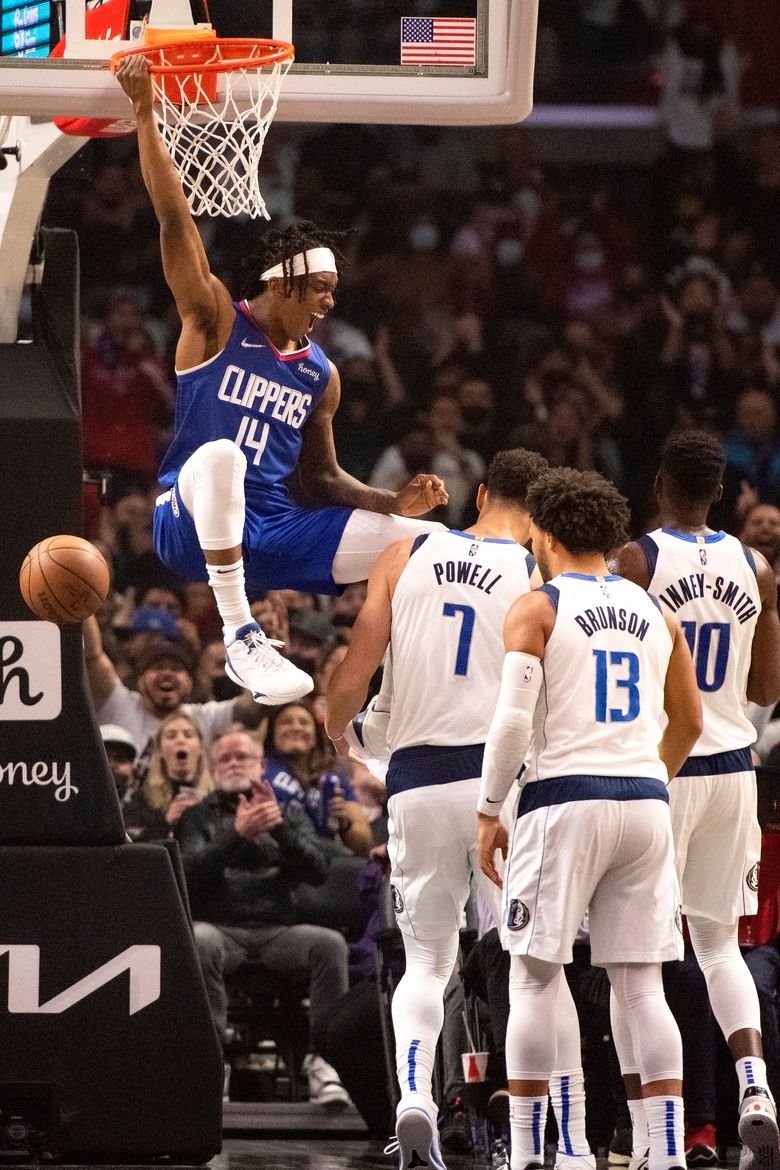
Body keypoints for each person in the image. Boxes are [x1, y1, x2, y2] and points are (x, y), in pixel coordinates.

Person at [114, 55, 449, 708]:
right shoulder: (213, 322)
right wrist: (144, 112)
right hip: (188, 529)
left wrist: (391, 504)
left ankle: (395, 699)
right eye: (321, 289)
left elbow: (321, 481)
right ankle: (240, 632)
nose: (328, 304)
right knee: (220, 458)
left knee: (436, 549)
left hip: (275, 534)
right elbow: (173, 220)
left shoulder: (320, 374)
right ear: (281, 281)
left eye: (334, 292)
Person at [326, 450, 596, 1170]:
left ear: (478, 495)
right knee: (531, 967)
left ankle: (414, 1094)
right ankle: (552, 1137)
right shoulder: (541, 580)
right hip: (500, 787)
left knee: (425, 960)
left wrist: (338, 731)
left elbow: (355, 665)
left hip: (415, 777)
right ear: (540, 519)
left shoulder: (405, 549)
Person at [476, 467, 702, 1170]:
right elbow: (690, 723)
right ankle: (663, 1153)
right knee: (641, 985)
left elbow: (512, 726)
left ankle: (525, 1154)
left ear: (542, 533)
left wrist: (488, 811)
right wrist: (641, 778)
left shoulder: (537, 607)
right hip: (644, 801)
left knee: (534, 976)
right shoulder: (657, 613)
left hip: (564, 799)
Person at [611, 429, 780, 1167]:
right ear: (722, 492)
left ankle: (664, 1136)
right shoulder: (758, 566)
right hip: (735, 766)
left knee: (641, 960)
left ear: (658, 483)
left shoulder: (639, 561)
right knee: (720, 947)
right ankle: (755, 1085)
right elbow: (767, 690)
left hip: (667, 767)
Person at [176, 728, 352, 1109]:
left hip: (278, 932)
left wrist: (281, 830)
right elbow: (186, 878)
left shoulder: (287, 812)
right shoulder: (196, 817)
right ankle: (211, 1064)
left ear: (261, 764)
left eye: (243, 756)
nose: (235, 763)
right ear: (213, 766)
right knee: (199, 939)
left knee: (329, 944)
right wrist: (235, 836)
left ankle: (326, 1064)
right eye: (225, 758)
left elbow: (320, 870)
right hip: (220, 929)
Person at [264, 701, 373, 858]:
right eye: (286, 722)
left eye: (304, 722)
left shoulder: (334, 780)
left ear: (315, 736)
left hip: (324, 861)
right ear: (272, 734)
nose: (296, 727)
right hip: (275, 858)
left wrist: (344, 822)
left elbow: (364, 846)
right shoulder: (260, 768)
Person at [123, 710, 212, 842]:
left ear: (200, 748)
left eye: (188, 735)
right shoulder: (142, 799)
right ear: (159, 751)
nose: (180, 741)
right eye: (171, 736)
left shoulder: (215, 796)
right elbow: (132, 848)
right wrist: (165, 823)